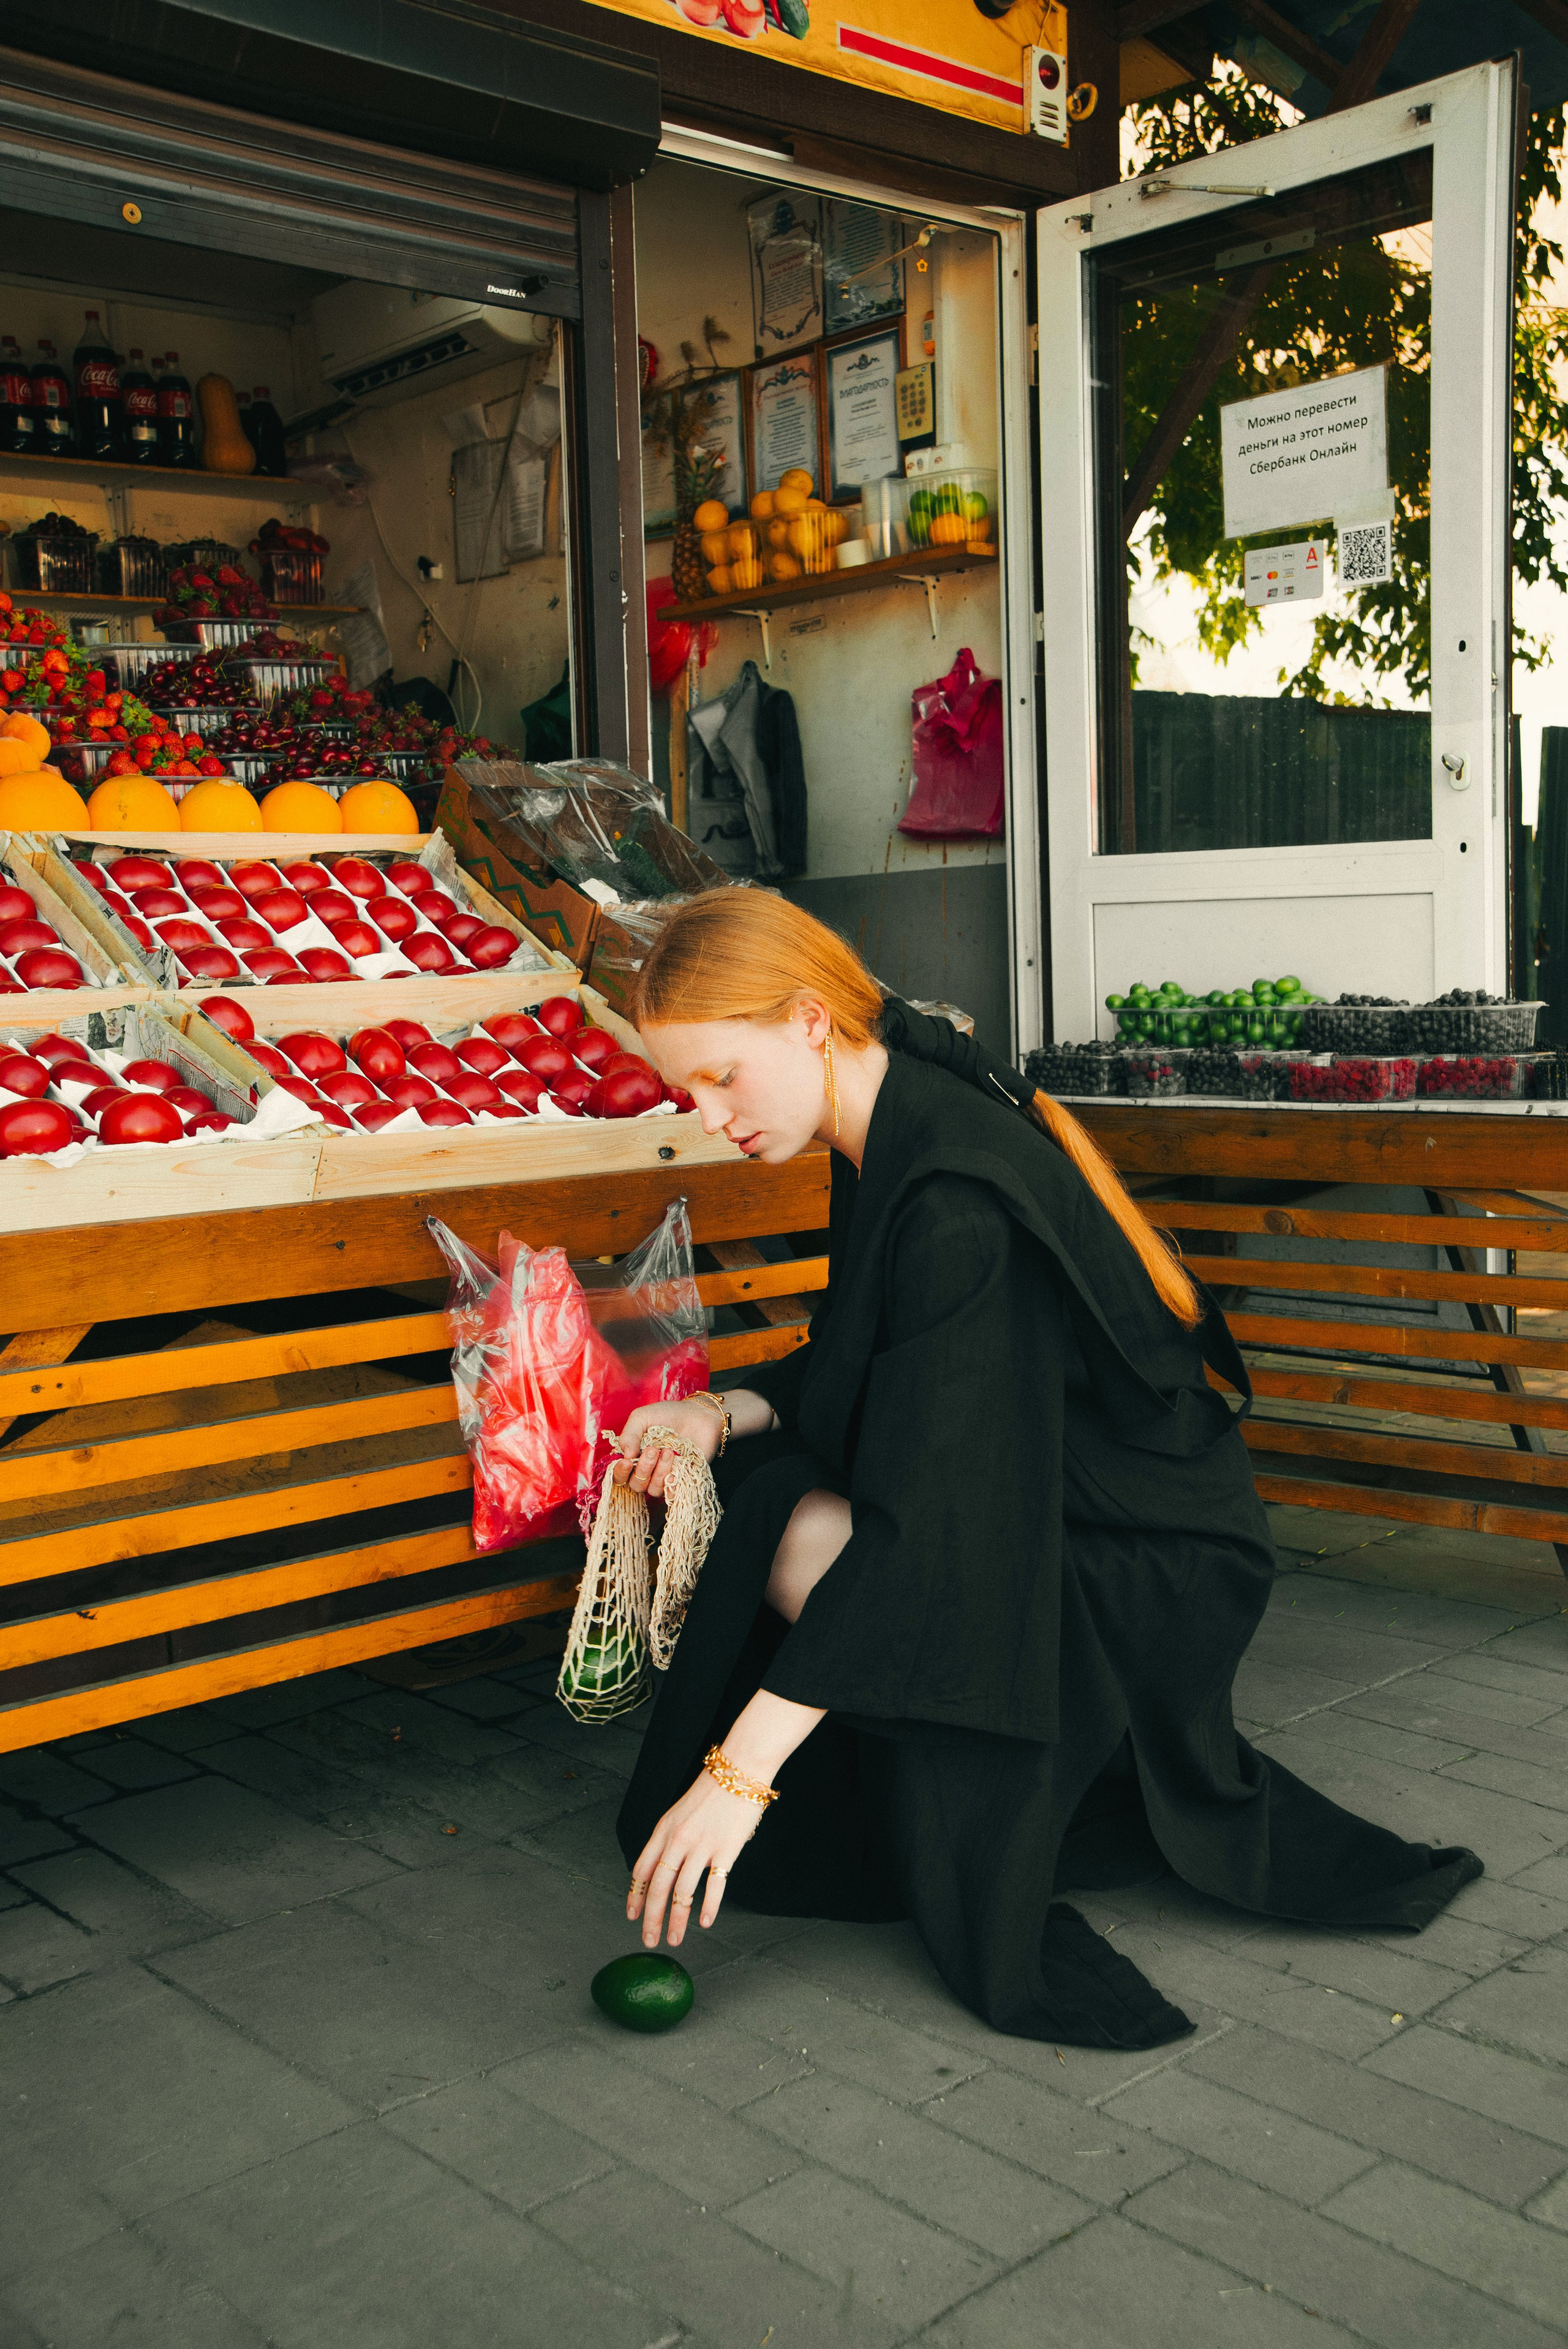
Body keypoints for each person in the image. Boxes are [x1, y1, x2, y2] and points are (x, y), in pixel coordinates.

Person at [611, 894, 1481, 2048]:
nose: (707, 1114)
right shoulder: (886, 1120)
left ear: (809, 1021)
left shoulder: (953, 1194)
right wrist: (722, 1409)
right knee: (770, 1486)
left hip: (1148, 1570)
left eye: (721, 1076)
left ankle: (1010, 1783)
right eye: (688, 1090)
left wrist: (741, 1772)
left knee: (808, 1536)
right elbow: (873, 1357)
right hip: (1053, 1501)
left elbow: (937, 1532)